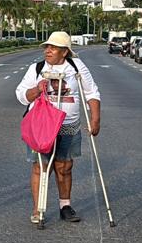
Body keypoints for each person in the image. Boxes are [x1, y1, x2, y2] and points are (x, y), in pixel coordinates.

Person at [17, 31, 100, 224]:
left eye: (53, 47)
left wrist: (95, 118)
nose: (48, 50)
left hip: (68, 124)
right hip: (42, 125)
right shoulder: (36, 68)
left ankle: (65, 206)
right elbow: (21, 95)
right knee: (40, 167)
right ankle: (38, 209)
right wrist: (37, 89)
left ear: (64, 52)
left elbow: (91, 92)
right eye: (47, 47)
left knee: (64, 166)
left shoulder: (76, 66)